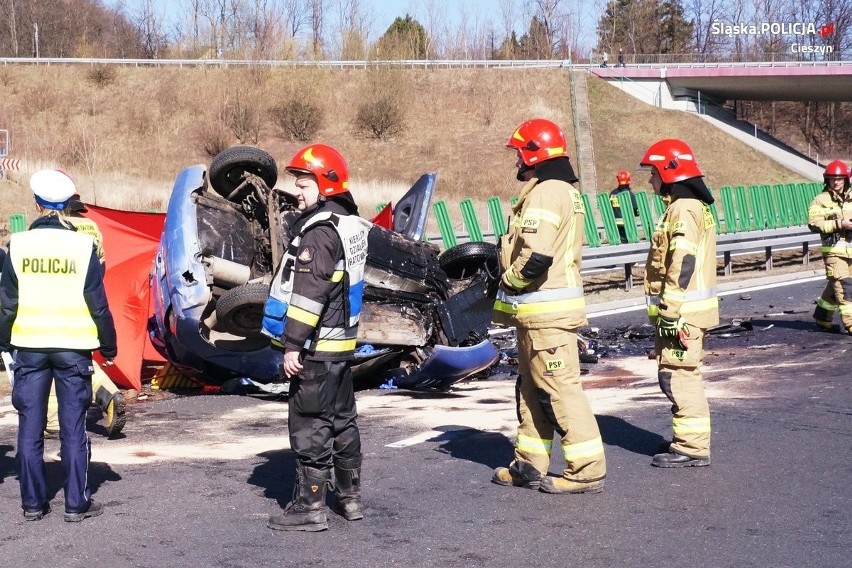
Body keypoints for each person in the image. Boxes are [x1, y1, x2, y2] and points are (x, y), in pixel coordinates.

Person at [261, 144, 372, 532]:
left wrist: (293, 343)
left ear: (326, 184)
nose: (298, 191)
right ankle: (350, 498)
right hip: (341, 346)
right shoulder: (349, 224)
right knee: (343, 420)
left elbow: (310, 294)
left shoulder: (319, 233)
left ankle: (309, 507)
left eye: (304, 184)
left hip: (317, 349)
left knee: (311, 423)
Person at [491, 118, 606, 494]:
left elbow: (536, 256)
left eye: (519, 154)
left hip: (548, 316)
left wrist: (506, 282)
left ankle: (586, 470)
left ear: (533, 153)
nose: (516, 163)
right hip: (537, 316)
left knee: (559, 390)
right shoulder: (560, 190)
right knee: (530, 388)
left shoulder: (546, 192)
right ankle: (529, 464)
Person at [0, 169, 117, 522]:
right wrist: (108, 347)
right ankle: (75, 504)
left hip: (30, 349)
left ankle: (33, 504)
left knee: (29, 427)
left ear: (36, 204)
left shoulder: (16, 246)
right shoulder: (84, 247)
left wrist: (5, 342)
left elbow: (7, 303)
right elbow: (98, 303)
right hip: (72, 349)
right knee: (73, 428)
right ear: (67, 205)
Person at [640, 139, 718, 468]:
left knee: (678, 376)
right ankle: (687, 440)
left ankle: (691, 447)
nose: (650, 180)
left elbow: (682, 261)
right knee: (679, 373)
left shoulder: (683, 209)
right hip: (686, 311)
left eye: (653, 173)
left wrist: (669, 311)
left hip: (682, 313)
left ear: (669, 172)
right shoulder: (687, 206)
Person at [44, 194, 126, 438]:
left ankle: (52, 421)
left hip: (59, 303)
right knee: (80, 360)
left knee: (50, 359)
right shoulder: (92, 227)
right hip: (88, 302)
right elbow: (100, 268)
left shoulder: (58, 230)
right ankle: (109, 394)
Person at [807, 160, 852, 333]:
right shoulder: (820, 200)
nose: (836, 182)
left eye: (840, 178)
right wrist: (840, 223)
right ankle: (850, 323)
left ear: (846, 179)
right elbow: (814, 223)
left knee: (836, 286)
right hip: (834, 252)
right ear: (827, 180)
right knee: (845, 287)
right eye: (833, 179)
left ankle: (822, 317)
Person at [610, 170, 639, 243]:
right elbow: (636, 209)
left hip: (615, 225)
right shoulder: (629, 194)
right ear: (629, 180)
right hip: (628, 226)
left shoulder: (612, 194)